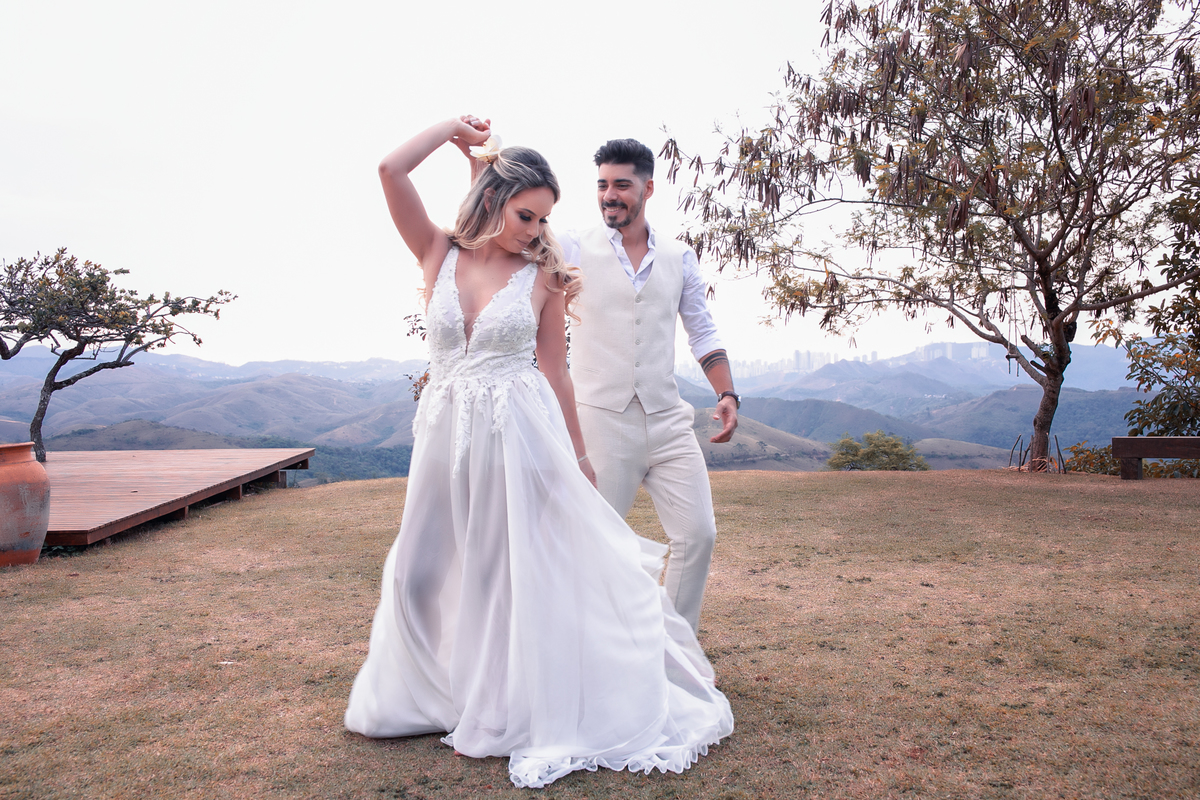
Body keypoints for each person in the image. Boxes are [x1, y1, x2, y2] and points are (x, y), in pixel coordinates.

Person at [343, 117, 733, 789]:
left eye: (544, 218)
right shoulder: (437, 250)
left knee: (500, 576)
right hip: (444, 433)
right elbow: (390, 171)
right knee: (416, 573)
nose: (536, 230)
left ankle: (495, 710)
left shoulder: (544, 275)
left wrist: (578, 458)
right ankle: (427, 698)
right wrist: (451, 132)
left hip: (517, 431)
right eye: (527, 215)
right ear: (494, 198)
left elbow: (556, 372)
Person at [558, 138, 740, 634]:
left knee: (698, 535)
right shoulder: (572, 246)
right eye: (602, 184)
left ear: (648, 188)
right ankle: (586, 651)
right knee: (592, 546)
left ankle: (675, 649)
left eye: (622, 184)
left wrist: (726, 394)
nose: (609, 195)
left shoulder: (680, 256)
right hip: (600, 420)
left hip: (666, 420)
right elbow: (511, 240)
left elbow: (702, 330)